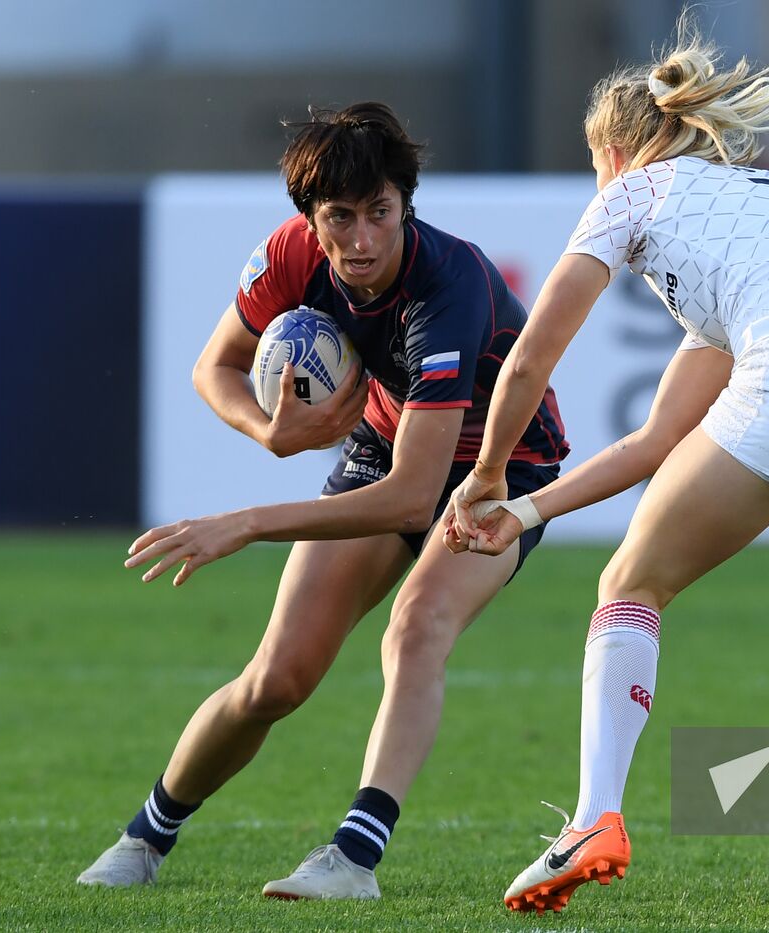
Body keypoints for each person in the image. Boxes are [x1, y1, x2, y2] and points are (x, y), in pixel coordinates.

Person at [447, 24, 769, 920]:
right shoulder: (755, 209)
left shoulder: (630, 191)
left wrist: (485, 474)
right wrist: (524, 514)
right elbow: (652, 445)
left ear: (611, 149)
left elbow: (528, 360)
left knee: (629, 586)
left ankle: (595, 816)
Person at [77, 101, 569, 900]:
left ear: (406, 202)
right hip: (384, 447)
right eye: (342, 217)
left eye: (380, 211)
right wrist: (268, 435)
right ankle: (144, 838)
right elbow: (217, 368)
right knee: (277, 678)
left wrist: (246, 521)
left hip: (503, 473)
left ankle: (353, 859)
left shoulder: (447, 286)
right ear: (312, 217)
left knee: (416, 628)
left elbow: (416, 500)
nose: (363, 239)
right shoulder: (291, 254)